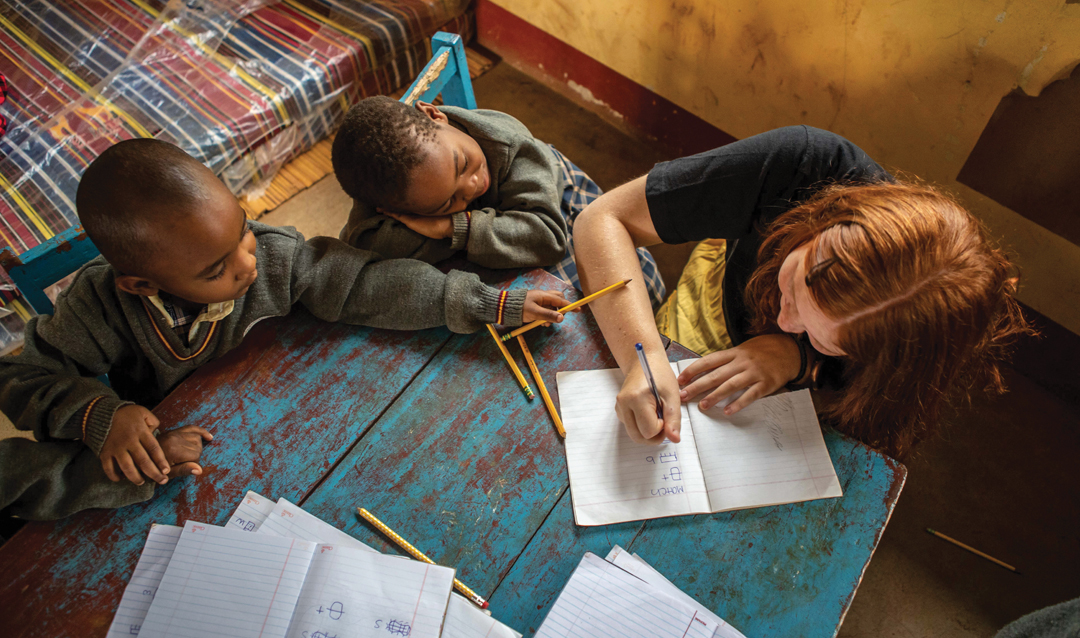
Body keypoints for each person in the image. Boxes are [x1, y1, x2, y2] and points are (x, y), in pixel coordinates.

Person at [0, 138, 569, 519]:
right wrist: (102, 414)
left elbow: (368, 283)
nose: (247, 264)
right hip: (177, 448)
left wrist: (485, 302)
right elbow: (23, 378)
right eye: (214, 270)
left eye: (242, 231)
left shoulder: (273, 259)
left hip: (278, 414)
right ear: (142, 286)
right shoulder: (98, 305)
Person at [573, 125, 1031, 458]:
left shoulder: (915, 349)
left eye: (820, 334)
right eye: (792, 283)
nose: (785, 322)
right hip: (723, 296)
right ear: (824, 222)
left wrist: (799, 357)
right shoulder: (808, 165)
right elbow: (602, 220)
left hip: (806, 387)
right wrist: (644, 358)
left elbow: (857, 403)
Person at [332, 96, 666, 307]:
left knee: (630, 294)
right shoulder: (389, 182)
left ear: (435, 114)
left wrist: (451, 225)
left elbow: (547, 238)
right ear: (397, 211)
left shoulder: (509, 143)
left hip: (559, 209)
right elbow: (364, 246)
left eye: (463, 164)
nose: (474, 185)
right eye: (448, 200)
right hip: (510, 228)